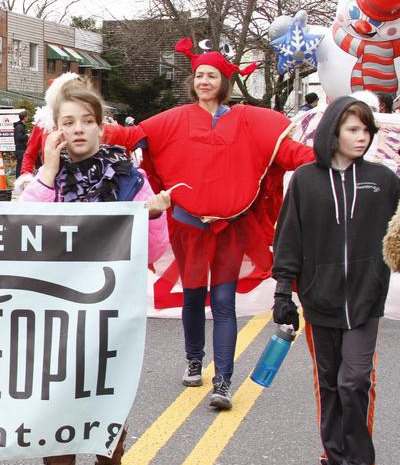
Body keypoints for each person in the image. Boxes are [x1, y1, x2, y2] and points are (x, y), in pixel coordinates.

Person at [102, 38, 314, 410]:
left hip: (232, 229)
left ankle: (224, 381)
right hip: (188, 228)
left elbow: (289, 153)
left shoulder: (249, 119)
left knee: (223, 302)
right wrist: (87, 124)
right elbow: (130, 137)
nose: (203, 81)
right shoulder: (173, 118)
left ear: (223, 81)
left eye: (211, 75)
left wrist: (332, 152)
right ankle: (194, 360)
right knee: (194, 296)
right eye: (199, 75)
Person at [19, 75, 171, 465]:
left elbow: (153, 248)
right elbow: (21, 232)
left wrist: (154, 213)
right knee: (53, 398)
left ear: (102, 128)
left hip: (110, 307)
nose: (79, 129)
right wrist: (45, 174)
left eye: (88, 121)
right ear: (55, 129)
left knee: (108, 393)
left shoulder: (130, 177)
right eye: (69, 122)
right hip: (54, 307)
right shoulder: (44, 178)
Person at [273, 97, 399, 465]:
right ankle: (333, 460)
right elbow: (290, 238)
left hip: (365, 300)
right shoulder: (306, 180)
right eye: (352, 129)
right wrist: (283, 293)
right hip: (320, 299)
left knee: (355, 381)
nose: (361, 137)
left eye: (365, 130)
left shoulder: (383, 180)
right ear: (333, 132)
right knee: (329, 384)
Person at [13, 109, 29, 177]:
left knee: (20, 165)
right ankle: (18, 180)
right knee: (20, 166)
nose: (27, 118)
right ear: (25, 117)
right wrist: (27, 136)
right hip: (20, 149)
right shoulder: (20, 127)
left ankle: (19, 179)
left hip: (20, 149)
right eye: (27, 116)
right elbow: (19, 138)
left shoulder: (20, 126)